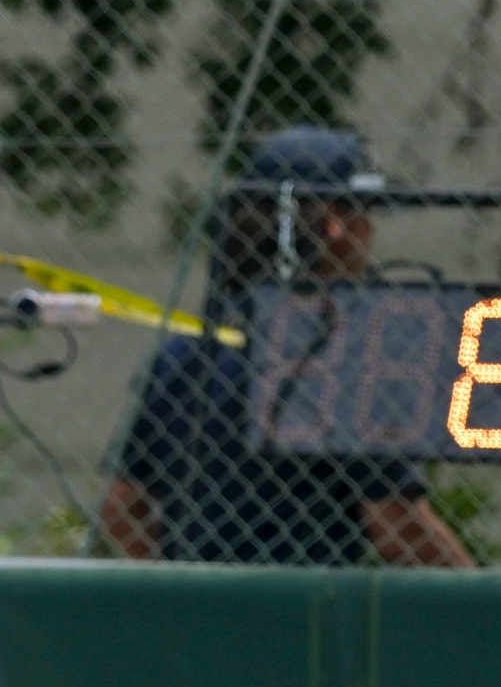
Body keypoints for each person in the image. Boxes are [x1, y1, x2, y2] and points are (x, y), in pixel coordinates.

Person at [97, 127, 474, 566]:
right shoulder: (347, 360)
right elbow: (397, 527)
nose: (370, 234)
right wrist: (484, 597)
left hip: (200, 601)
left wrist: (180, 582)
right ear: (336, 226)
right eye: (365, 215)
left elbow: (121, 508)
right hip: (305, 603)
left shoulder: (185, 355)